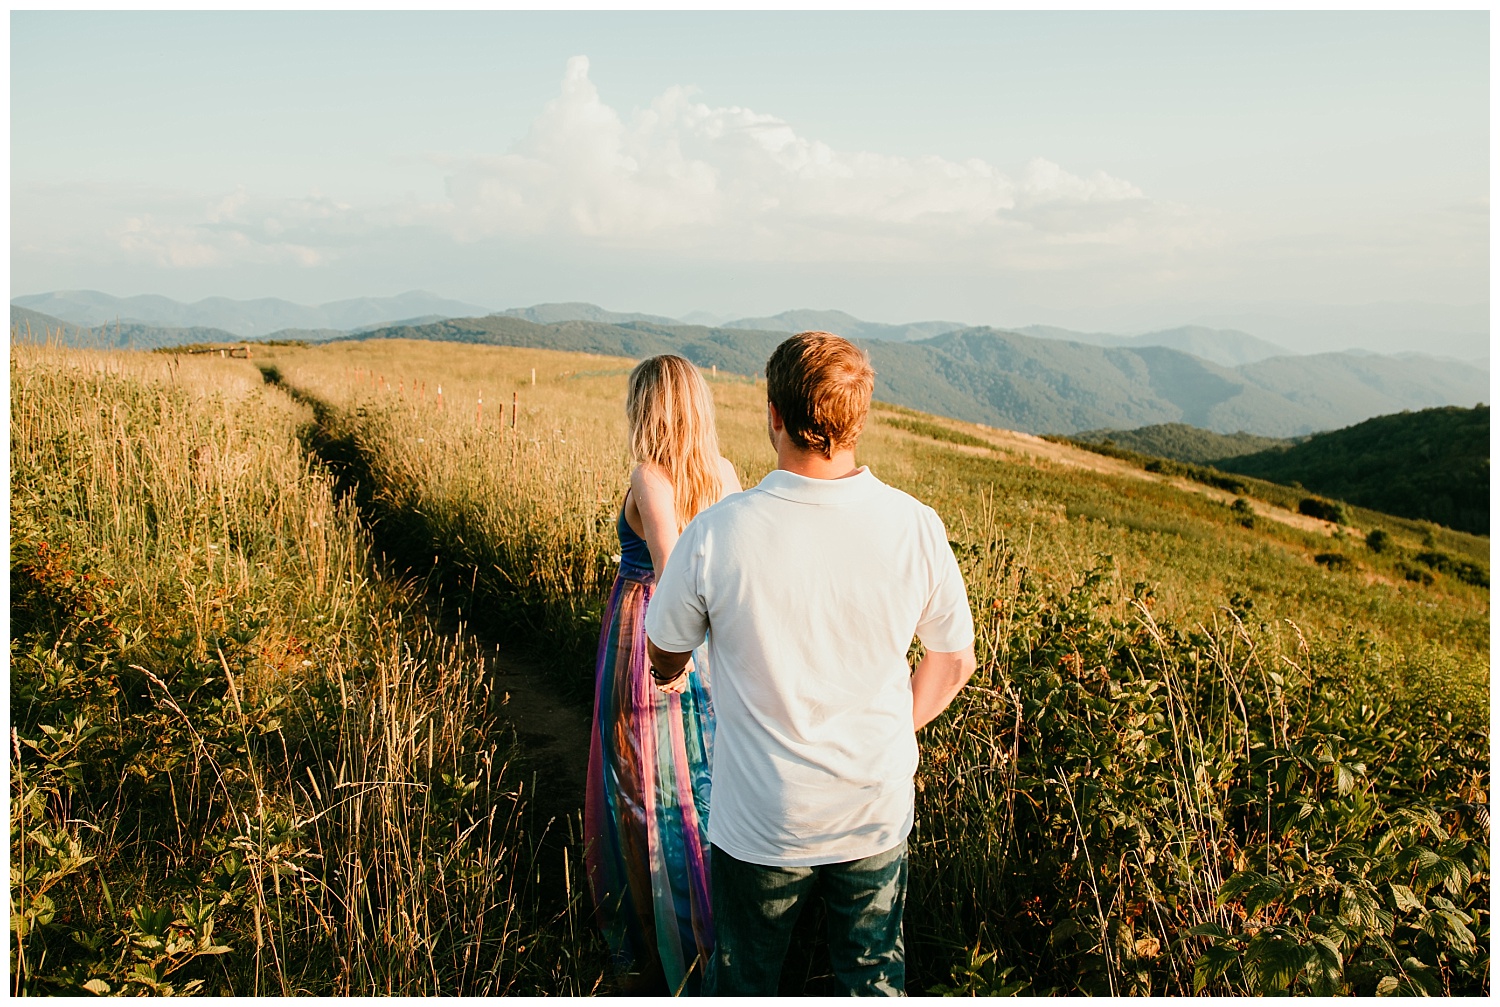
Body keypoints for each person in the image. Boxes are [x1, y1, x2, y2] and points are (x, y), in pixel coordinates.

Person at [645, 331, 977, 996]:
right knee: (871, 978)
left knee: (746, 978)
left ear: (774, 415)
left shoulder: (719, 531)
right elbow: (954, 660)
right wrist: (893, 729)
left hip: (762, 815)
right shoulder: (914, 525)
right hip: (873, 805)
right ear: (859, 417)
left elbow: (663, 645)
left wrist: (668, 666)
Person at [583, 353, 743, 995]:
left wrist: (678, 645)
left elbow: (673, 570)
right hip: (714, 631)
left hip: (651, 628)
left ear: (647, 408)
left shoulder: (650, 475)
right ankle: (713, 924)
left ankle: (664, 941)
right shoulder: (725, 472)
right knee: (701, 770)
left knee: (641, 780)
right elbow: (728, 567)